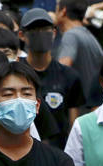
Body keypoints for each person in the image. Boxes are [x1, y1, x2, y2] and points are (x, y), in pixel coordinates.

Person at [19, 8, 84, 151]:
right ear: (22, 35)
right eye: (34, 30)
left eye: (45, 29)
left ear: (54, 33)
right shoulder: (14, 73)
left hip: (57, 154)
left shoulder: (69, 76)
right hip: (19, 151)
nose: (40, 34)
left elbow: (73, 125)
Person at [56, 0, 103, 106]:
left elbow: (62, 68)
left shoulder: (71, 35)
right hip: (93, 107)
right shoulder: (89, 36)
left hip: (82, 110)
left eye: (56, 8)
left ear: (63, 11)